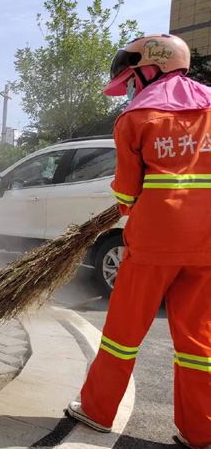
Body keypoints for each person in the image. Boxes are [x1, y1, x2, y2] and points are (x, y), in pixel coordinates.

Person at [66, 34, 211, 449]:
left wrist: (130, 204)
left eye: (132, 79)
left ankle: (97, 411)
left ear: (152, 67)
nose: (130, 87)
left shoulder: (136, 117)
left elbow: (127, 193)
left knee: (122, 333)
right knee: (199, 339)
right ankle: (202, 431)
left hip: (153, 243)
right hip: (207, 245)